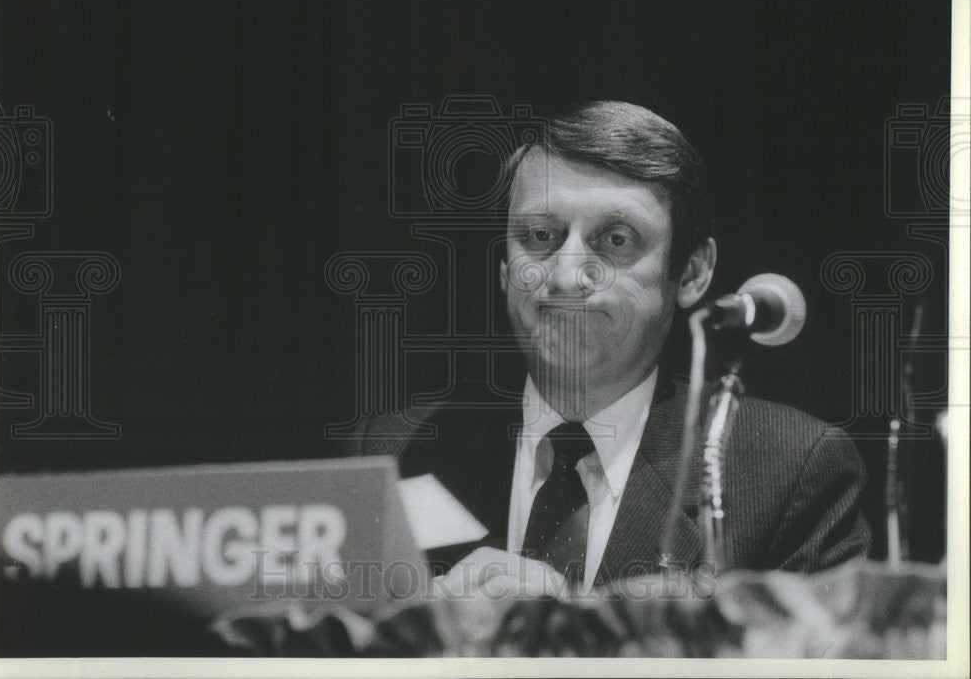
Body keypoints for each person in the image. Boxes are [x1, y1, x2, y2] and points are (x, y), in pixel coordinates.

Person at [347, 101, 870, 597]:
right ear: (505, 270)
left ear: (691, 273)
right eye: (540, 235)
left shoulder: (788, 471)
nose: (567, 275)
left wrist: (573, 638)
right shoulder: (390, 451)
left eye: (615, 240)